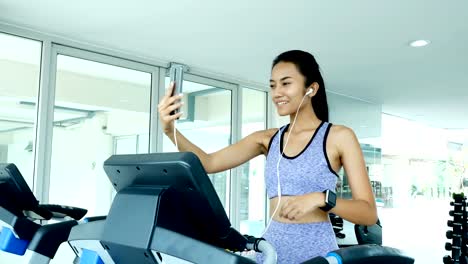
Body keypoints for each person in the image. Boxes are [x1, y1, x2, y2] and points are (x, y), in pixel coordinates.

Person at [158, 50, 377, 264]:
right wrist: (170, 131)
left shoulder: (339, 137)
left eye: (286, 83)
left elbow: (368, 214)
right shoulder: (266, 139)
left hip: (316, 252)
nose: (277, 92)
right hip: (271, 249)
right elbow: (208, 162)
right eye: (273, 85)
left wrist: (320, 198)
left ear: (311, 88)